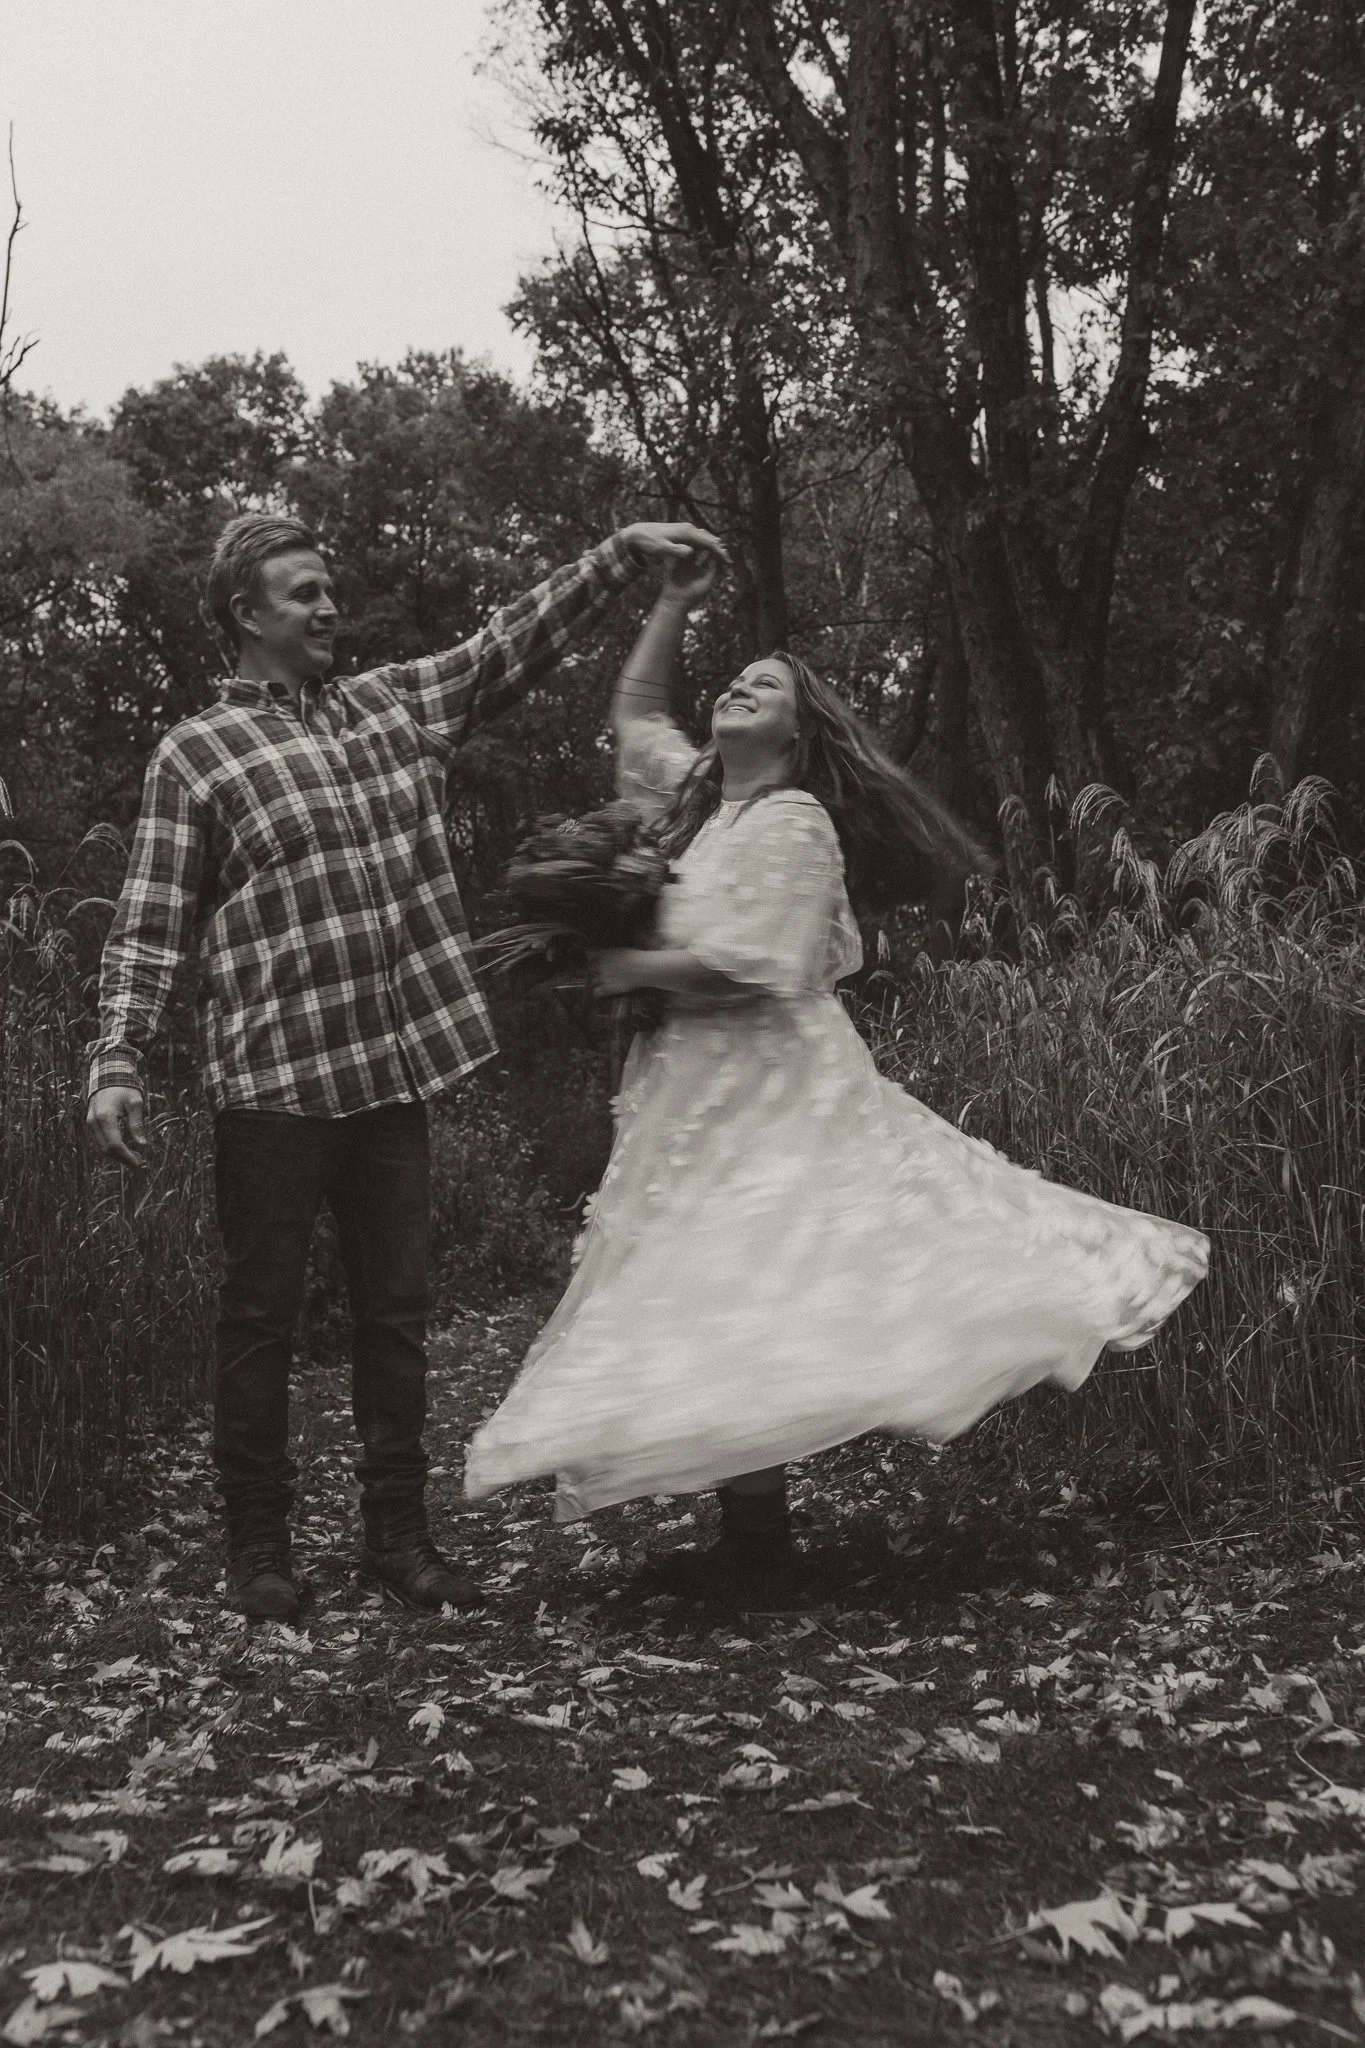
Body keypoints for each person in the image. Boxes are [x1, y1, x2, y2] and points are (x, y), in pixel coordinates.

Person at [463, 551, 1211, 1599]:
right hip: (689, 1093)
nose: (739, 686)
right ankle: (755, 1541)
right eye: (736, 677)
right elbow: (634, 710)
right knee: (718, 1298)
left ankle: (763, 1542)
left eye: (764, 685)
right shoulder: (693, 807)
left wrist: (620, 967)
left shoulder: (794, 822)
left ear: (798, 732)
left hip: (778, 1096)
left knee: (798, 1276)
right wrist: (671, 602)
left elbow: (753, 962)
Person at [85, 510, 727, 1621]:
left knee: (395, 1317)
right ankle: (259, 1551)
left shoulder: (392, 705)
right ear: (245, 615)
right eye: (303, 592)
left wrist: (620, 555)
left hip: (390, 1075)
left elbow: (507, 645)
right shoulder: (198, 752)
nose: (328, 606)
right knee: (260, 1321)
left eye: (328, 587)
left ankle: (399, 1539)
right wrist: (118, 1058)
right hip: (272, 1084)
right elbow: (150, 921)